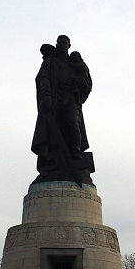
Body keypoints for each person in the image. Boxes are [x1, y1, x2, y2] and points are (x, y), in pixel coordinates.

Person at [31, 34, 94, 185]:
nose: (62, 44)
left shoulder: (74, 63)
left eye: (65, 42)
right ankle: (53, 161)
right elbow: (42, 78)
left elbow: (86, 82)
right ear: (57, 44)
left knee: (72, 122)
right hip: (54, 100)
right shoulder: (50, 61)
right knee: (52, 131)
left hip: (71, 99)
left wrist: (79, 81)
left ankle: (75, 152)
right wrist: (46, 96)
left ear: (69, 45)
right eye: (60, 42)